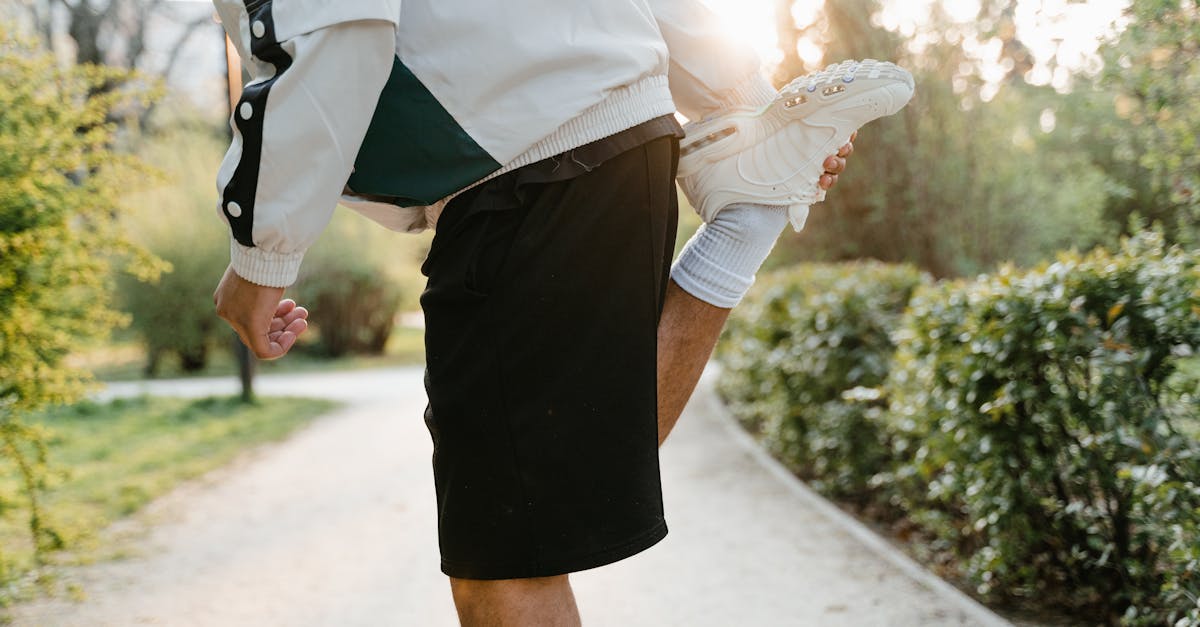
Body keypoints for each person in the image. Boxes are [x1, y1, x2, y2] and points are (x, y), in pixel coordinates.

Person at [209, 1, 913, 624]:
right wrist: (741, 101)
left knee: (502, 566)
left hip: (523, 162)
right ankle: (746, 215)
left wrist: (260, 255)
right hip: (616, 133)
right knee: (539, 507)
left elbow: (345, 26)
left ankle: (748, 212)